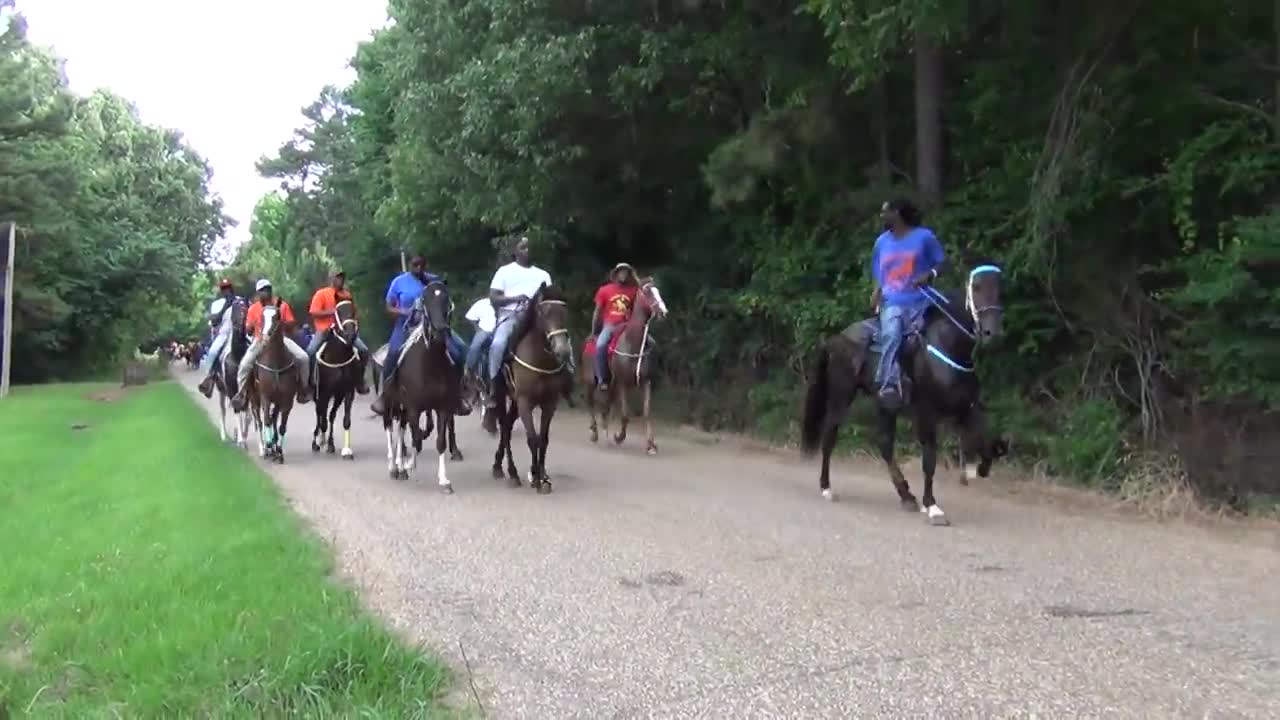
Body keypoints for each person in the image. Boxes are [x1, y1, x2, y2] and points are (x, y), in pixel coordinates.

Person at [868, 197, 946, 409]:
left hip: (922, 299)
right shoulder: (881, 242)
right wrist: (876, 290)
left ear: (898, 213)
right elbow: (879, 272)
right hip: (892, 300)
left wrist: (929, 274)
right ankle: (887, 384)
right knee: (892, 333)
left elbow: (941, 262)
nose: (882, 216)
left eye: (886, 212)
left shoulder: (924, 238)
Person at [370, 256, 471, 417]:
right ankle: (386, 395)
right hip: (406, 325)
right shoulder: (399, 282)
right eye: (415, 265)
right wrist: (404, 311)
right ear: (409, 265)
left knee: (459, 350)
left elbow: (444, 302)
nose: (418, 268)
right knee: (394, 353)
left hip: (432, 325)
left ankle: (458, 394)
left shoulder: (433, 282)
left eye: (422, 265)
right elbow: (389, 306)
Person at [484, 236, 557, 408]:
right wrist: (516, 298)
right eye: (523, 247)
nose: (527, 250)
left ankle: (566, 381)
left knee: (560, 339)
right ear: (515, 251)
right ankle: (494, 387)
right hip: (512, 315)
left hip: (538, 318)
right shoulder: (505, 271)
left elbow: (550, 298)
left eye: (529, 247)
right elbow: (494, 297)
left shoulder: (543, 274)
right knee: (498, 344)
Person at [231, 279, 312, 409]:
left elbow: (291, 323)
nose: (266, 293)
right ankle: (241, 394)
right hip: (260, 339)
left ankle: (304, 388)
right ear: (258, 293)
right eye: (262, 290)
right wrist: (248, 327)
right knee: (244, 364)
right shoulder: (253, 308)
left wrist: (280, 323)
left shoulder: (282, 306)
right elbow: (249, 329)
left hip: (281, 338)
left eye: (268, 289)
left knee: (303, 357)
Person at [307, 269, 370, 394]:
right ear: (332, 279)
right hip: (325, 329)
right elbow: (313, 312)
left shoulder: (347, 295)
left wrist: (355, 325)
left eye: (342, 278)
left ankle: (360, 381)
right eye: (337, 278)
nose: (340, 281)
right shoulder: (322, 294)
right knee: (311, 351)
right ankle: (310, 383)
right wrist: (332, 312)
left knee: (363, 350)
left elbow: (353, 313)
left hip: (344, 331)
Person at [590, 262, 640, 391]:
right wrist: (594, 329)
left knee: (650, 343)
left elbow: (639, 309)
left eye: (626, 272)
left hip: (628, 325)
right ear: (616, 274)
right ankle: (602, 379)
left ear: (629, 275)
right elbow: (598, 310)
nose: (623, 275)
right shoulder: (605, 290)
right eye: (621, 272)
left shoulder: (634, 290)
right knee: (600, 344)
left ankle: (643, 376)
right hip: (610, 325)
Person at [197, 278, 241, 398]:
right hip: (224, 333)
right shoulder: (217, 304)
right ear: (221, 291)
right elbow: (214, 321)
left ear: (232, 289)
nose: (226, 291)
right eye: (224, 289)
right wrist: (225, 307)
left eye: (228, 288)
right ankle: (207, 380)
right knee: (212, 352)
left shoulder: (240, 300)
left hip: (240, 331)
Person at [463, 295, 496, 380]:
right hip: (484, 330)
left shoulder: (505, 304)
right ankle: (468, 369)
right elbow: (469, 317)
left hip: (499, 330)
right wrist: (477, 328)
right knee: (475, 346)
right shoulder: (482, 303)